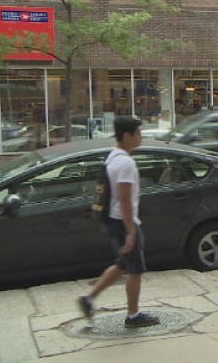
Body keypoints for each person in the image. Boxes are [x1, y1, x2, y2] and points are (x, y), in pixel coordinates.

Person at [78, 116, 160, 328]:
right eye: (138, 133)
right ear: (127, 136)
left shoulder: (112, 157)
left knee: (123, 264)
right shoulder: (125, 163)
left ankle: (88, 298)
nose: (140, 137)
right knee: (135, 269)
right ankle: (133, 316)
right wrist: (131, 230)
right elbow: (124, 199)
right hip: (122, 222)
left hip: (111, 219)